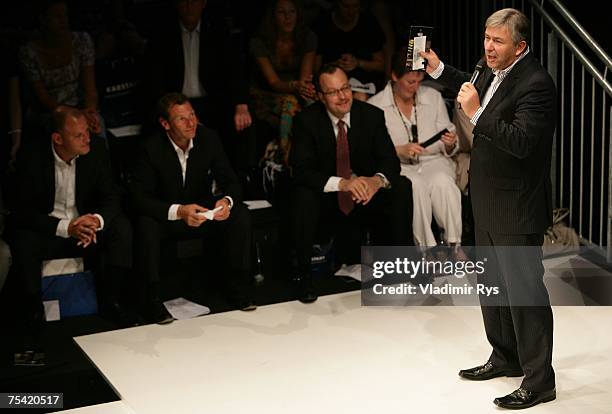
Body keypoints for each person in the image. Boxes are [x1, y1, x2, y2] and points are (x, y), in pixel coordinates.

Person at [420, 8, 557, 410]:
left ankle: (539, 381)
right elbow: (471, 83)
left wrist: (476, 113)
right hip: (487, 198)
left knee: (525, 294)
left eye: (497, 41)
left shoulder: (537, 85)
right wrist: (440, 68)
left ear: (520, 46)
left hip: (517, 205)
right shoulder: (491, 67)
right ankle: (505, 357)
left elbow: (519, 142)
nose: (488, 47)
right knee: (493, 287)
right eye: (485, 38)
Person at [290, 63, 413, 303]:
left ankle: (400, 270)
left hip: (364, 196)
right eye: (334, 92)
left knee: (401, 186)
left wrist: (376, 181)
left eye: (345, 87)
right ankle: (304, 278)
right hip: (328, 198)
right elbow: (301, 171)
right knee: (302, 195)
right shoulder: (306, 121)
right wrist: (342, 184)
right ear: (321, 96)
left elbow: (390, 162)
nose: (343, 96)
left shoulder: (371, 115)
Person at [10, 107, 133, 344]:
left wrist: (95, 220)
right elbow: (22, 212)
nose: (87, 138)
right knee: (23, 238)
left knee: (121, 228)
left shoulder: (96, 149)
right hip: (49, 228)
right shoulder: (32, 156)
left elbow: (111, 196)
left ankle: (112, 301)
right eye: (79, 135)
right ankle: (33, 311)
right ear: (58, 139)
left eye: (87, 131)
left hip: (86, 224)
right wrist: (67, 227)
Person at [130, 93, 255, 323]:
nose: (191, 123)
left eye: (193, 115)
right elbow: (139, 198)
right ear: (166, 124)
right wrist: (178, 211)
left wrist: (225, 201)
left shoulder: (209, 138)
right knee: (145, 224)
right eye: (182, 119)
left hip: (201, 211)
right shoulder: (150, 147)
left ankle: (238, 288)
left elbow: (232, 182)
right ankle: (151, 300)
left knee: (239, 214)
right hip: (168, 215)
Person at [368, 49, 463, 253]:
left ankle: (454, 245)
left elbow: (449, 137)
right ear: (394, 76)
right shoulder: (375, 106)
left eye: (419, 81)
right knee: (416, 187)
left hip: (433, 161)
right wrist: (398, 150)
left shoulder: (433, 97)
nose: (416, 86)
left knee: (444, 184)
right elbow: (371, 151)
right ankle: (425, 250)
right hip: (401, 167)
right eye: (410, 82)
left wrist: (449, 142)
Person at [144, 0, 253, 173]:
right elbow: (154, 80)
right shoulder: (163, 35)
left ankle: (234, 184)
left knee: (240, 125)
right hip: (175, 103)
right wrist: (182, 113)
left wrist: (241, 105)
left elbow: (235, 70)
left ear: (203, 4)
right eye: (184, 2)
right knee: (156, 126)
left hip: (213, 102)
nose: (189, 6)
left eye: (194, 1)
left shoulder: (217, 32)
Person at [19, 0, 102, 139]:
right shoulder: (29, 53)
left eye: (65, 16)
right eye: (57, 16)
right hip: (49, 113)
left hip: (81, 106)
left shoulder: (81, 41)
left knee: (98, 130)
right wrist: (74, 116)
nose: (63, 21)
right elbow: (43, 98)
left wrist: (90, 113)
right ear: (43, 19)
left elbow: (90, 90)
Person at [249, 0, 317, 162]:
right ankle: (286, 158)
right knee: (290, 103)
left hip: (297, 91)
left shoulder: (308, 37)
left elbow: (305, 79)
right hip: (265, 94)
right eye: (281, 12)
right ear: (273, 17)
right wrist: (295, 86)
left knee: (314, 104)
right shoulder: (259, 42)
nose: (288, 17)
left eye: (291, 12)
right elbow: (273, 82)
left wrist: (305, 89)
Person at [313, 0, 386, 90]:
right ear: (337, 4)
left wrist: (358, 63)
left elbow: (381, 65)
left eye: (355, 6)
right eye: (346, 6)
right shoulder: (322, 24)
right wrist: (335, 65)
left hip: (364, 84)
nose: (351, 12)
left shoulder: (368, 23)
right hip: (331, 83)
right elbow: (315, 68)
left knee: (360, 96)